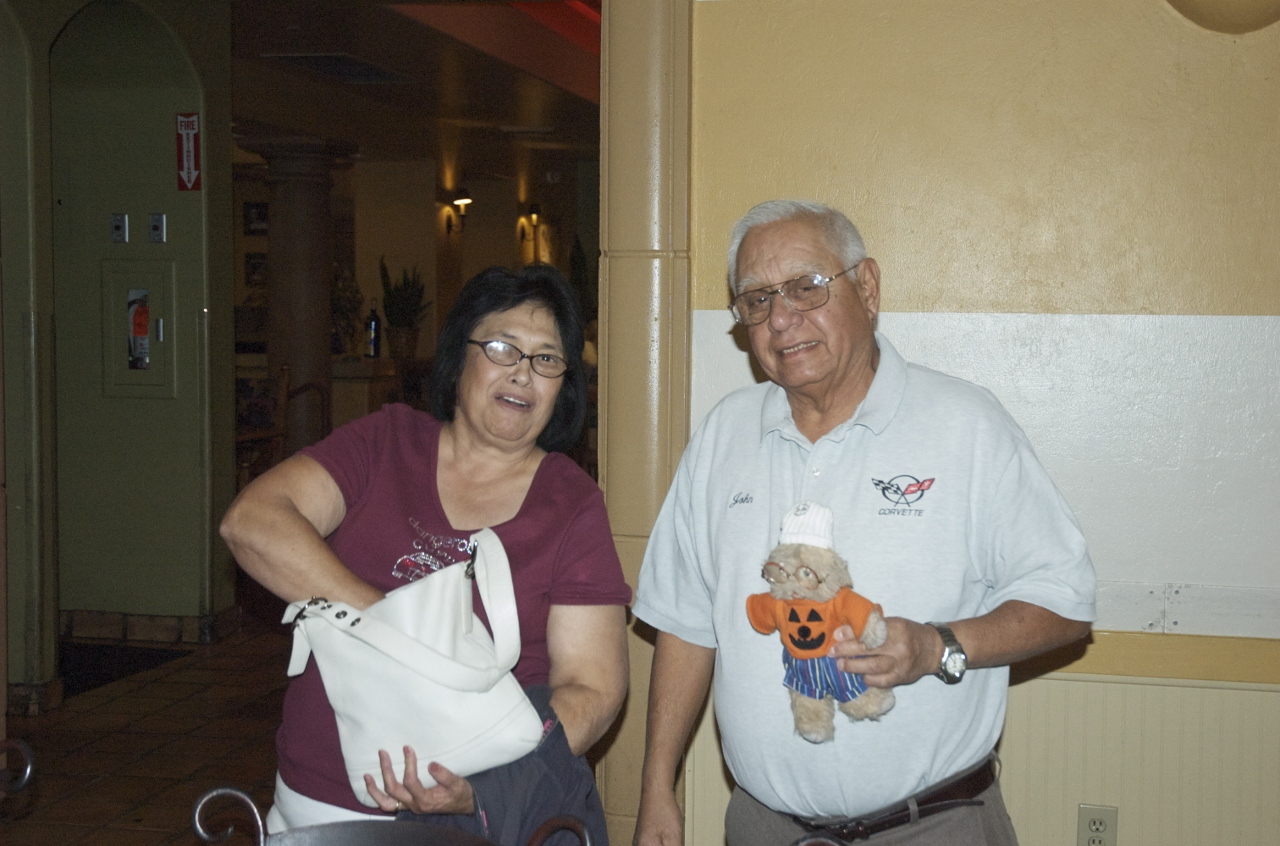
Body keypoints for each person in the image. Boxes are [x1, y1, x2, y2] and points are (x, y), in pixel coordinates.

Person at [631, 200, 1096, 846]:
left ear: (867, 287)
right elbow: (686, 622)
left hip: (936, 825)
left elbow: (1065, 600)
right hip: (765, 828)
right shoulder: (721, 438)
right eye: (757, 300)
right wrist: (657, 788)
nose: (782, 319)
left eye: (806, 287)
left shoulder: (965, 426)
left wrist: (936, 647)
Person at [221, 264, 631, 845]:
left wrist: (487, 783)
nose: (522, 373)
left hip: (477, 819)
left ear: (564, 385)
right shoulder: (386, 442)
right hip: (321, 802)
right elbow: (252, 523)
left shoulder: (572, 504)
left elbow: (593, 688)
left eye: (546, 359)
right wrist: (400, 629)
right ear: (458, 354)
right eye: (501, 347)